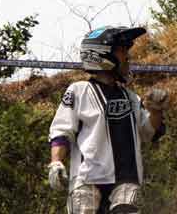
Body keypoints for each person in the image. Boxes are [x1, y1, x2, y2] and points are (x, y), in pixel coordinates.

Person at [47, 26, 168, 214]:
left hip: (127, 180)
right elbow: (62, 131)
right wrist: (56, 162)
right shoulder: (79, 91)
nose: (127, 57)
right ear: (102, 55)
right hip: (87, 179)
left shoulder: (131, 97)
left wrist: (156, 111)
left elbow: (148, 133)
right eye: (121, 50)